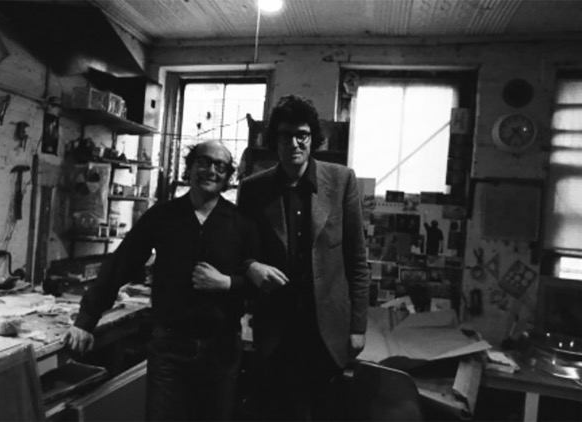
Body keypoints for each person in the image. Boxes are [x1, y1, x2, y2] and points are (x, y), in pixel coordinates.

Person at [64, 140, 258, 421]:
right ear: (190, 167)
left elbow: (258, 285)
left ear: (229, 176)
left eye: (220, 166)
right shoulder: (163, 216)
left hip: (221, 350)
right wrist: (86, 320)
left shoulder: (242, 223)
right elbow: (120, 264)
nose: (211, 171)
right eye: (203, 162)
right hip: (170, 349)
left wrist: (228, 283)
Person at [238, 95, 371, 420]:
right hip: (276, 329)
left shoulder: (341, 180)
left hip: (326, 332)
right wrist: (251, 266)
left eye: (303, 135)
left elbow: (357, 261)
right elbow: (239, 249)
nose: (294, 143)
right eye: (285, 135)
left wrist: (358, 326)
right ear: (275, 140)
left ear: (313, 139)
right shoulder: (253, 188)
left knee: (325, 412)